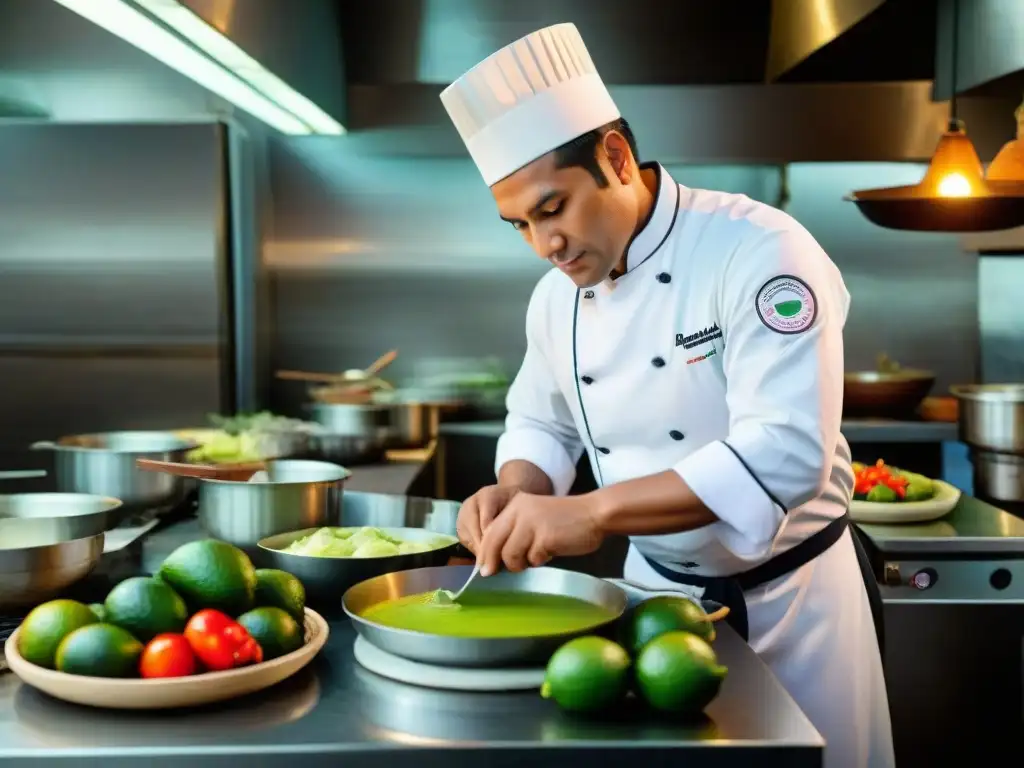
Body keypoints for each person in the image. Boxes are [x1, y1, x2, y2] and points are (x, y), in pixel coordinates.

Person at [440, 22, 895, 768]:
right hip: (653, 598)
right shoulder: (557, 298)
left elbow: (784, 454)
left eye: (552, 209)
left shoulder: (760, 252)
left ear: (615, 157)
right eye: (518, 225)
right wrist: (513, 491)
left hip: (793, 602)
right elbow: (539, 421)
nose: (543, 245)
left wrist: (589, 512)